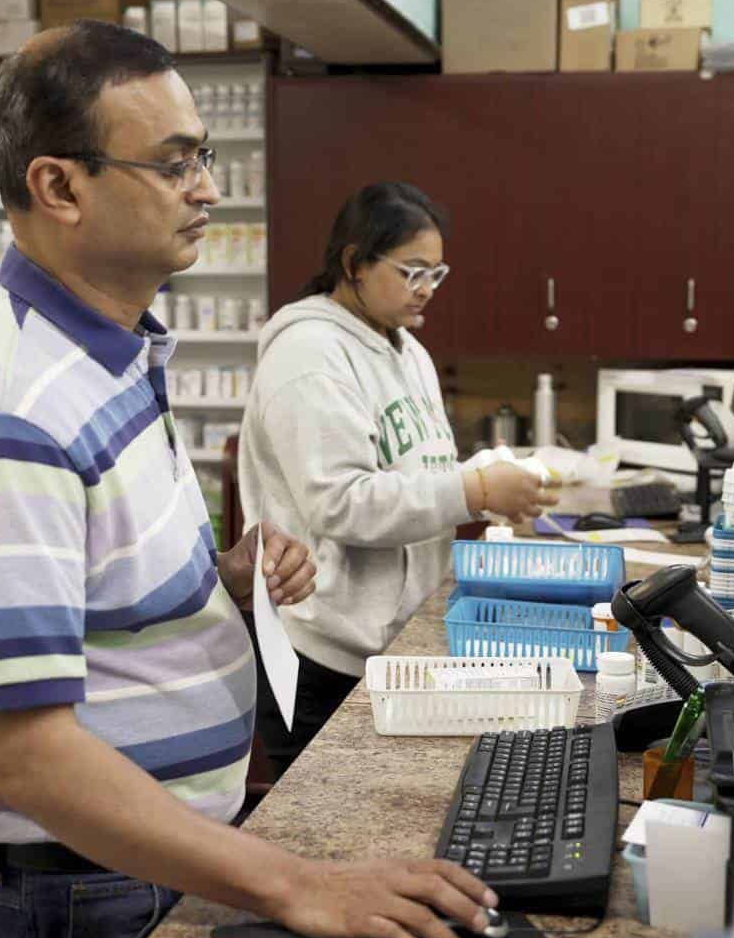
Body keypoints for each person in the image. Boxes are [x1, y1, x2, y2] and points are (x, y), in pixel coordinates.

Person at [0, 22, 497, 938]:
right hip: (71, 896)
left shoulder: (111, 351)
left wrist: (221, 577)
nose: (208, 188)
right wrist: (295, 880)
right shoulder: (9, 416)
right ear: (59, 186)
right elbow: (25, 755)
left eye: (204, 157)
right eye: (174, 164)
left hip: (138, 863)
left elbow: (91, 601)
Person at [239, 182, 558, 776]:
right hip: (320, 651)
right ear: (354, 263)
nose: (428, 289)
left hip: (391, 643)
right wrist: (476, 490)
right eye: (412, 271)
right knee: (322, 836)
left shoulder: (406, 349)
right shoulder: (308, 355)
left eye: (437, 272)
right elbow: (342, 504)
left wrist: (489, 487)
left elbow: (421, 472)